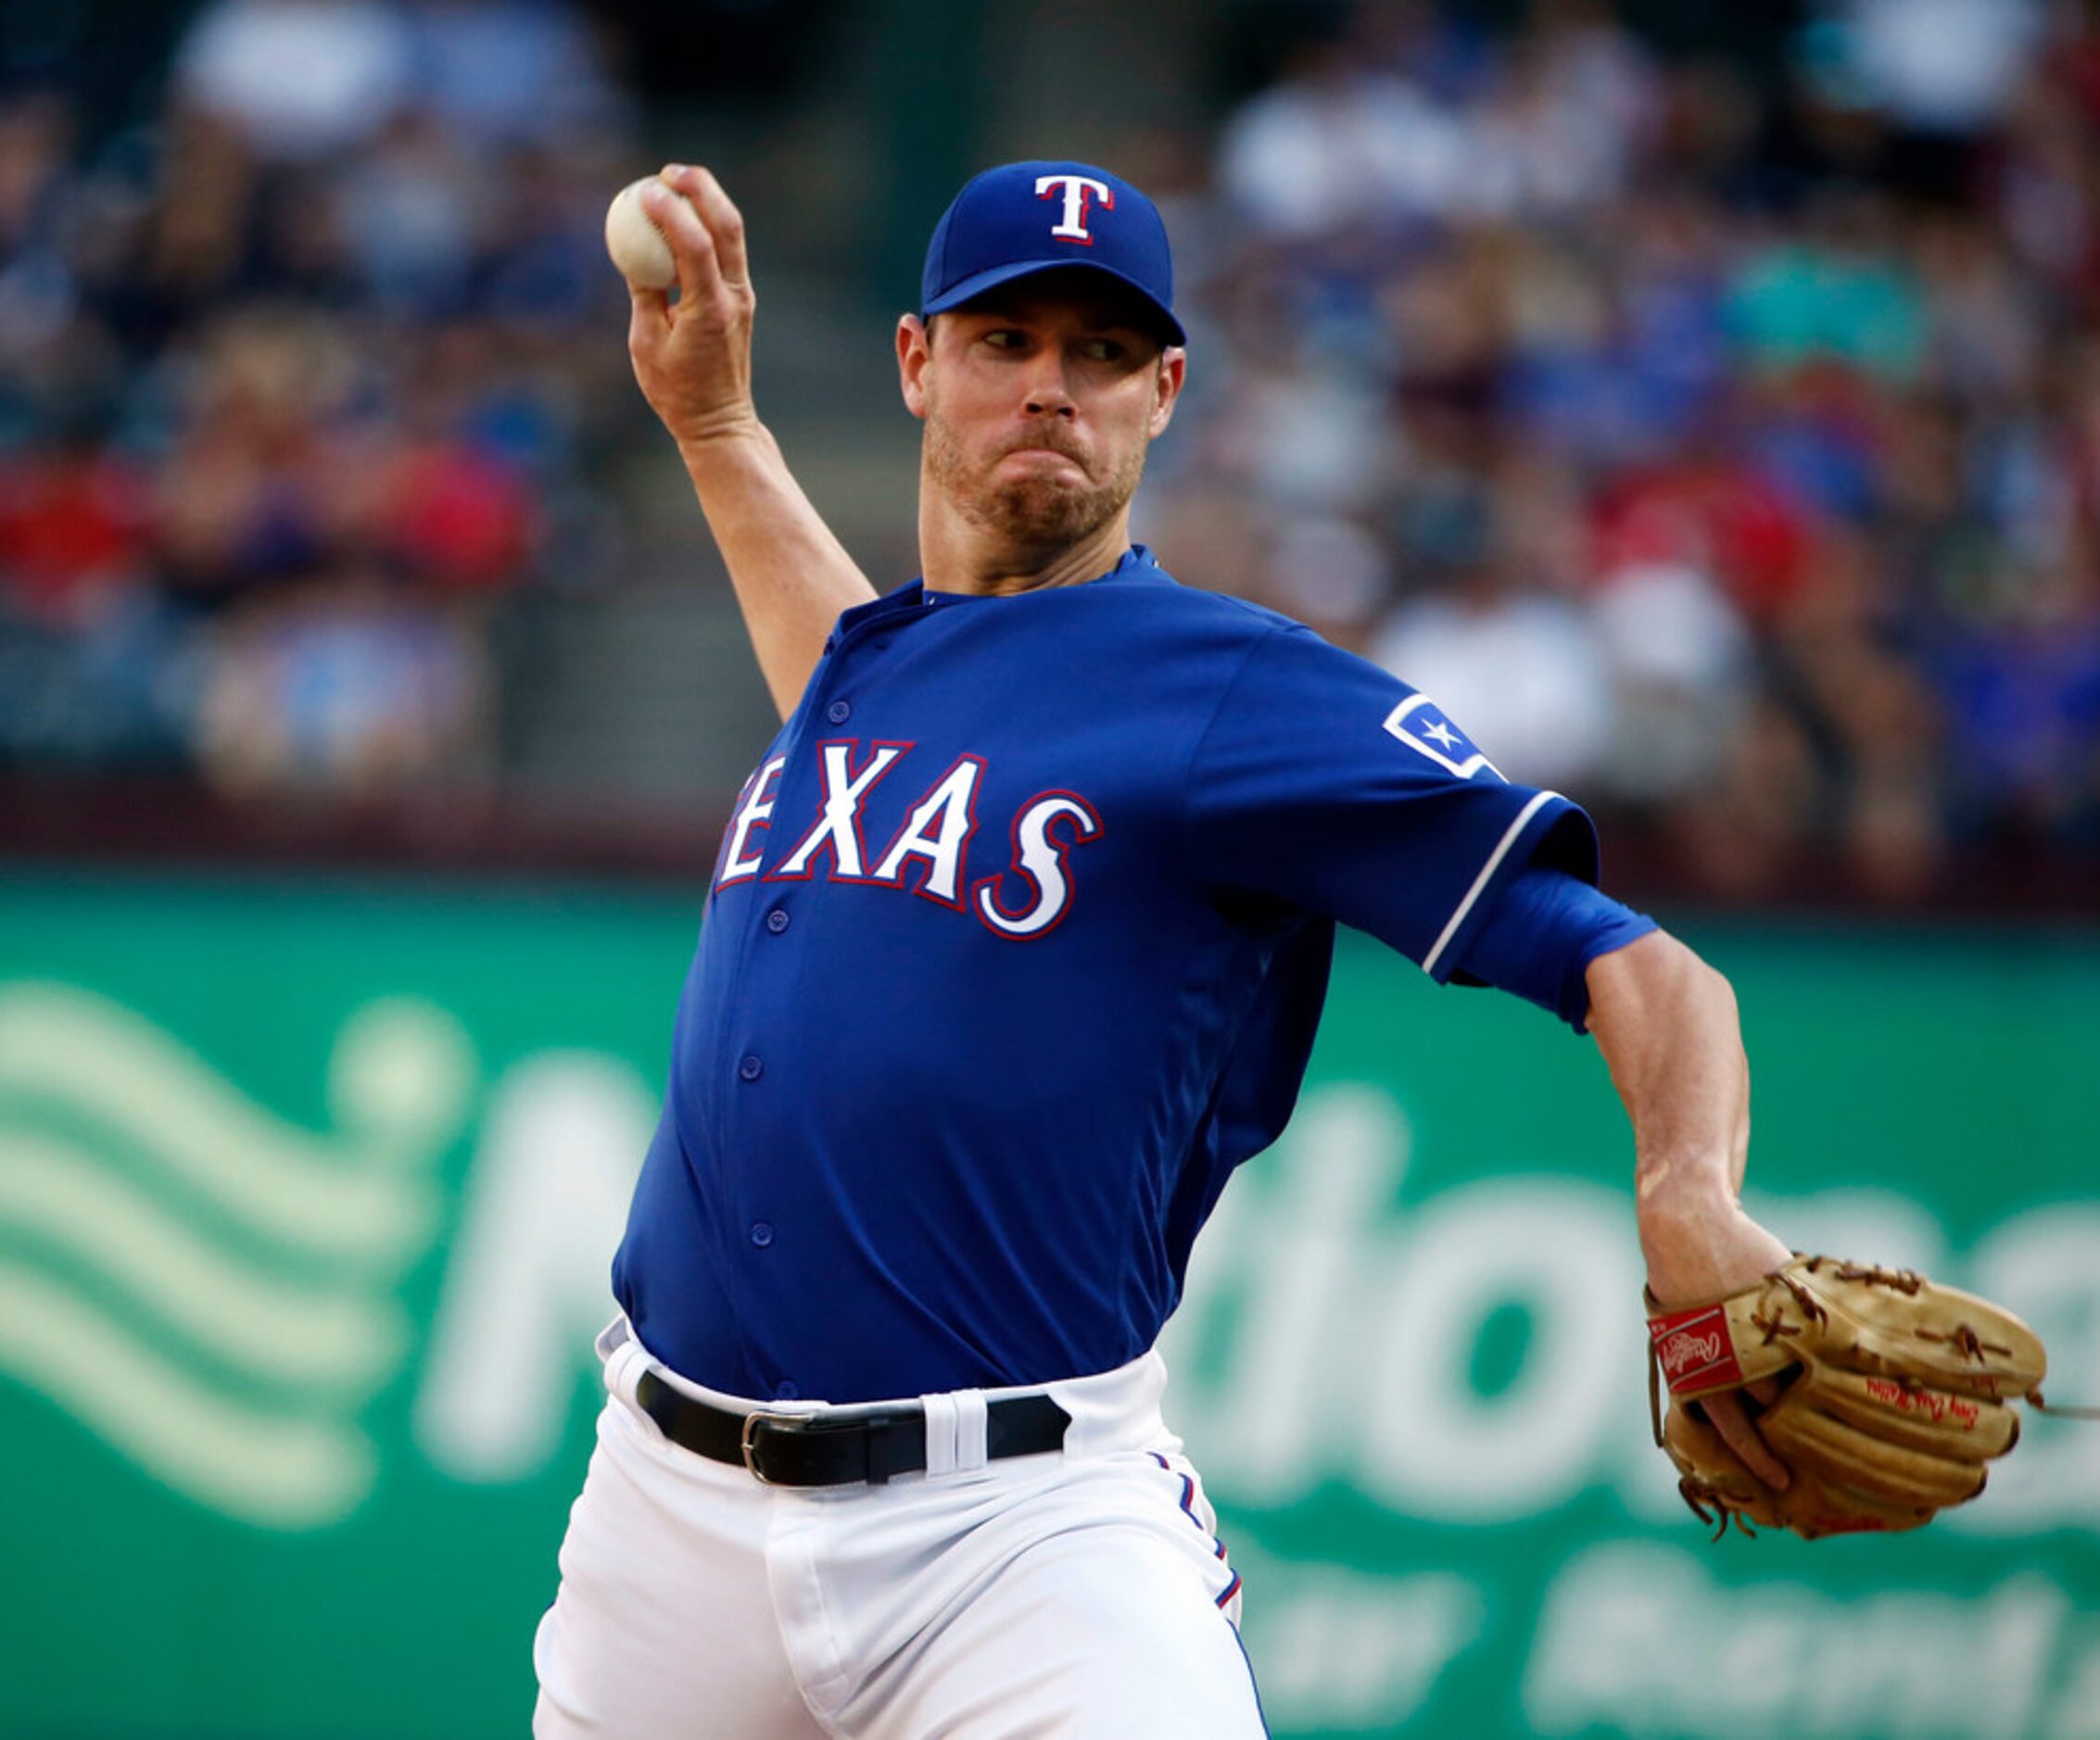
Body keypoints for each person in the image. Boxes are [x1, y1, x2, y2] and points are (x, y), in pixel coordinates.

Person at [533, 159, 1794, 1739]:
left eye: (1102, 352)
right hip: (663, 1523)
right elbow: (876, 712)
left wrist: (1686, 1190)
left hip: (1012, 1538)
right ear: (918, 362)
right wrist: (715, 432)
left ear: (1165, 392)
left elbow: (1639, 964)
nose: (1051, 385)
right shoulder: (879, 674)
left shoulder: (1227, 694)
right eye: (1005, 341)